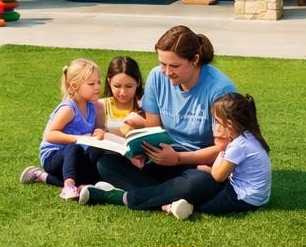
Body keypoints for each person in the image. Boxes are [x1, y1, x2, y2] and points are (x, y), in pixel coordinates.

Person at [81, 25, 236, 205]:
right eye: (163, 64)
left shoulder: (220, 89)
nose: (167, 72)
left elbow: (224, 149)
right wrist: (139, 151)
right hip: (162, 155)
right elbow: (152, 130)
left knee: (198, 183)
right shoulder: (157, 76)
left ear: (195, 59)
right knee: (106, 164)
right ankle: (170, 198)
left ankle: (119, 197)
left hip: (200, 162)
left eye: (174, 66)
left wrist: (178, 159)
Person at [91, 93, 270, 219]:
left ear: (229, 124)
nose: (215, 126)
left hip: (238, 193)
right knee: (106, 164)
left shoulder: (237, 145)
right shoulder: (248, 138)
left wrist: (217, 155)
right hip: (242, 191)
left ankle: (122, 197)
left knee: (202, 202)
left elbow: (218, 175)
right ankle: (166, 200)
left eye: (218, 122)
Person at [20, 58, 105, 200]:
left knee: (96, 150)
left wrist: (101, 131)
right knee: (74, 148)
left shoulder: (93, 106)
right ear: (74, 85)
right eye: (91, 83)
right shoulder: (68, 109)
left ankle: (44, 177)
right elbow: (50, 135)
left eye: (98, 82)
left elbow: (98, 129)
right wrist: (78, 139)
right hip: (54, 157)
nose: (97, 87)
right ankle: (69, 185)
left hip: (75, 157)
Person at [98, 56, 146, 134]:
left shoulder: (145, 107)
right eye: (117, 86)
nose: (123, 92)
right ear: (109, 82)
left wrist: (144, 124)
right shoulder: (100, 106)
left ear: (138, 82)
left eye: (129, 86)